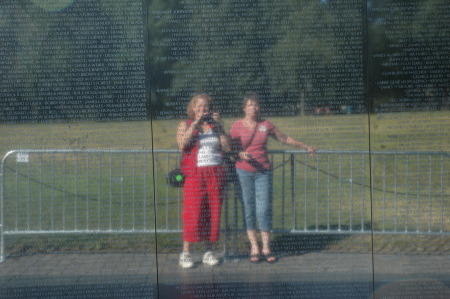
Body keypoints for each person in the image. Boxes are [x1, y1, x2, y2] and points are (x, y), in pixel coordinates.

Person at [230, 92, 317, 263]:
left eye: (256, 105)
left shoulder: (265, 124)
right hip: (243, 171)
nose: (253, 108)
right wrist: (239, 153)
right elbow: (229, 149)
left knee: (263, 209)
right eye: (250, 105)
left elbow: (284, 138)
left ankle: (266, 246)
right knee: (249, 209)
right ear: (244, 108)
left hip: (263, 172)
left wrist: (305, 146)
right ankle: (254, 247)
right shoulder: (236, 126)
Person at [176, 93, 230, 268]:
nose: (202, 109)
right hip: (195, 174)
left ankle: (208, 251)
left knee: (212, 213)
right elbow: (182, 144)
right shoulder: (186, 124)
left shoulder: (215, 126)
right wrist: (196, 125)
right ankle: (186, 253)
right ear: (192, 109)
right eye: (199, 106)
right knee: (193, 212)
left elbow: (227, 147)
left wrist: (219, 126)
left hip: (215, 173)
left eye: (205, 106)